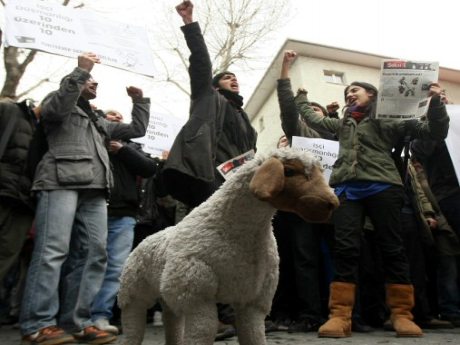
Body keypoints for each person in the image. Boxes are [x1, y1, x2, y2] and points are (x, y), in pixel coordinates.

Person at [295, 74, 449, 338]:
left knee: (392, 248)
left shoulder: (391, 119)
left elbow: (435, 131)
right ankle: (340, 316)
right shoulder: (342, 123)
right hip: (346, 190)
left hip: (384, 187)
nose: (350, 95)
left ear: (373, 95)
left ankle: (402, 315)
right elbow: (312, 119)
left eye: (355, 90)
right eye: (347, 94)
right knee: (345, 249)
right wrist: (300, 96)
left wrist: (435, 103)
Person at [19, 52, 150, 345]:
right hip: (59, 181)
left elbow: (137, 130)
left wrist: (139, 102)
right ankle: (37, 323)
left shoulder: (98, 119)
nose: (95, 83)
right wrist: (82, 70)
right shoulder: (58, 101)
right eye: (90, 80)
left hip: (94, 189)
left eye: (93, 80)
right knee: (52, 251)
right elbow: (56, 108)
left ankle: (75, 322)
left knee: (94, 253)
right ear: (76, 80)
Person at [163, 0, 257, 209]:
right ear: (214, 86)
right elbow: (201, 63)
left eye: (235, 77)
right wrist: (189, 23)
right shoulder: (208, 96)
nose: (233, 79)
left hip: (238, 181)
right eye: (226, 77)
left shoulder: (243, 116)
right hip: (210, 175)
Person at [89, 110, 157, 334]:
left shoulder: (132, 147)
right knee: (89, 262)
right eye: (110, 114)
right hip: (94, 208)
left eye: (119, 115)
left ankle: (100, 315)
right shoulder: (93, 137)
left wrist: (123, 150)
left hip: (124, 214)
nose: (116, 117)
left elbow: (149, 168)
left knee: (116, 267)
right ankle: (78, 316)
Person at [411, 109, 460, 326]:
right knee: (447, 259)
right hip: (443, 199)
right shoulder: (421, 137)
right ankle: (451, 310)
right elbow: (423, 148)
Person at [0, 99, 37, 285]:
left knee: (6, 256)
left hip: (24, 203)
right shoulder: (10, 110)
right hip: (3, 190)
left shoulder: (52, 132)